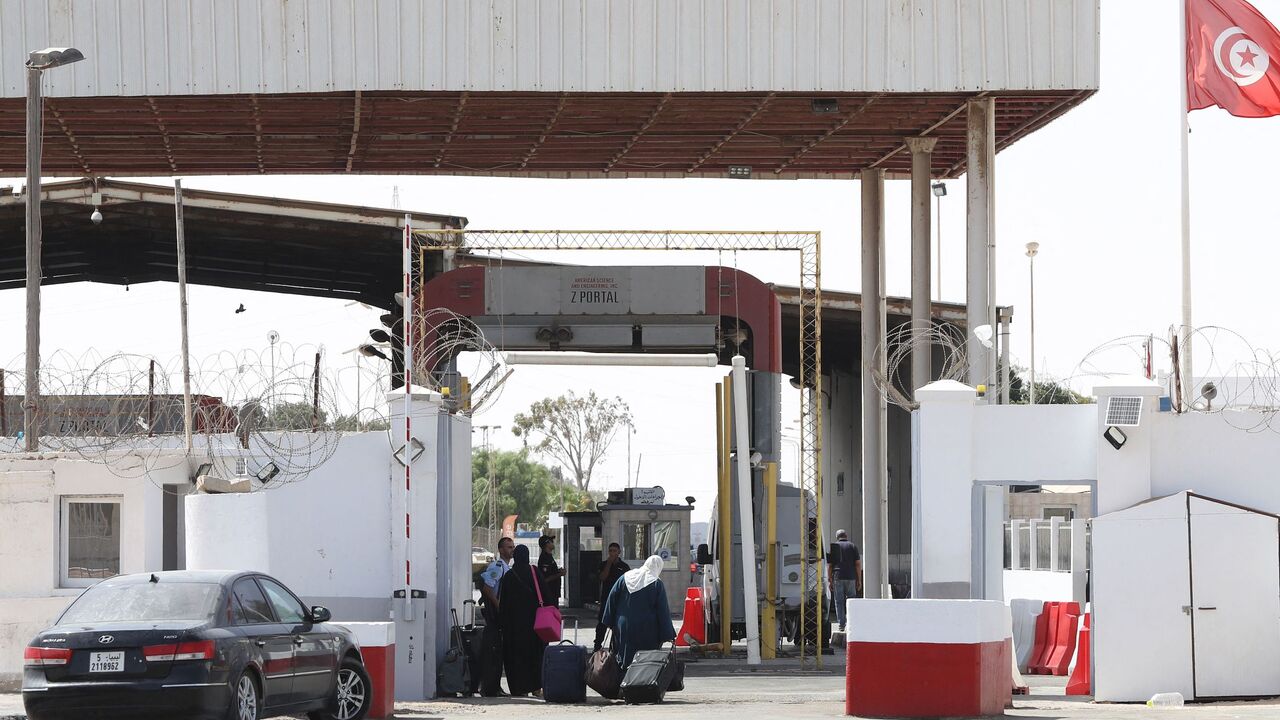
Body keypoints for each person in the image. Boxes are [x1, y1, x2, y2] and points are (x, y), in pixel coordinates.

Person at [600, 555, 675, 669]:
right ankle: (640, 682)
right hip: (648, 628)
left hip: (623, 625)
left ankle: (623, 679)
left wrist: (609, 621)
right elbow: (663, 610)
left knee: (624, 655)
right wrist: (668, 634)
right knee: (645, 659)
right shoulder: (656, 583)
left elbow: (611, 599)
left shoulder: (625, 577)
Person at [497, 544, 549, 696]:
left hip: (514, 627)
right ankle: (536, 687)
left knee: (516, 657)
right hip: (536, 624)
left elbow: (504, 604)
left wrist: (502, 623)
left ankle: (519, 688)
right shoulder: (535, 572)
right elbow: (546, 595)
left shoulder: (509, 576)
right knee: (535, 655)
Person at [477, 537, 514, 696]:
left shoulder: (506, 567)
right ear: (500, 549)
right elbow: (487, 588)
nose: (511, 550)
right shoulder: (498, 566)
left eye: (512, 547)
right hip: (494, 617)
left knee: (498, 653)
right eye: (508, 547)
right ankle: (490, 687)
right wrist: (498, 605)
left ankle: (495, 686)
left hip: (501, 617)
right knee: (493, 652)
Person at [594, 542, 631, 650]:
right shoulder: (603, 564)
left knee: (617, 624)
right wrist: (609, 564)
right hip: (606, 599)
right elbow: (602, 577)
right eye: (610, 551)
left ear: (619, 552)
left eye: (614, 551)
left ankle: (615, 648)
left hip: (619, 600)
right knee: (602, 623)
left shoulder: (624, 567)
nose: (612, 553)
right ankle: (597, 645)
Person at [828, 529, 863, 632]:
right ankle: (852, 623)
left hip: (838, 576)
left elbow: (830, 566)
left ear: (837, 537)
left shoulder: (833, 547)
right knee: (851, 600)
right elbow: (857, 564)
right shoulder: (852, 546)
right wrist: (859, 580)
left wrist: (830, 580)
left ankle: (841, 625)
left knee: (839, 602)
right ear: (846, 536)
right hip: (851, 577)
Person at [536, 535, 567, 607]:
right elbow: (545, 579)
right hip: (549, 593)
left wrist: (558, 571)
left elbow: (550, 572)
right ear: (547, 544)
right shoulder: (544, 558)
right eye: (551, 542)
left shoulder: (549, 557)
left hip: (553, 592)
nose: (553, 543)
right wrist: (560, 574)